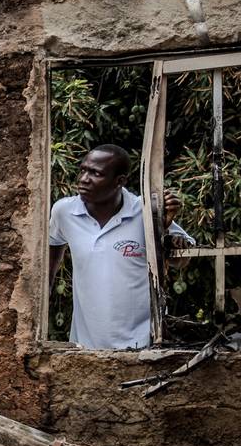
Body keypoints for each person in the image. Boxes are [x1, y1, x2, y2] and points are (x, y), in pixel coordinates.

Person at [48, 144, 194, 350]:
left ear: (120, 181)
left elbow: (181, 260)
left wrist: (164, 227)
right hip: (85, 347)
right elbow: (50, 256)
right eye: (83, 170)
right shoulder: (64, 211)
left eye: (95, 173)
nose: (83, 179)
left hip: (142, 346)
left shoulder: (144, 212)